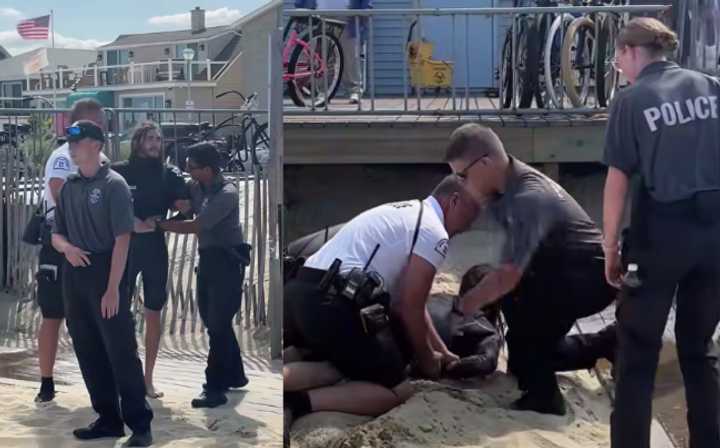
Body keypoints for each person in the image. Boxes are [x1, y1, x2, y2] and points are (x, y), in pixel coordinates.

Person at [283, 175, 482, 438]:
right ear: (454, 201)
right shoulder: (435, 233)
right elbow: (407, 308)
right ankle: (296, 403)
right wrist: (428, 363)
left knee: (335, 363)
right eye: (470, 216)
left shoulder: (406, 211)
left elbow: (414, 304)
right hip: (333, 302)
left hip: (302, 292)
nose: (469, 226)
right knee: (396, 392)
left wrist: (442, 351)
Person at [602, 18, 720, 448]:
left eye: (618, 58)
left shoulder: (632, 101)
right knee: (698, 347)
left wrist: (610, 244)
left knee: (637, 353)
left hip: (661, 235)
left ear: (633, 52)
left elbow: (618, 181)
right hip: (714, 236)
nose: (619, 66)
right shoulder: (711, 86)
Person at [444, 123, 617, 416]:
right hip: (558, 270)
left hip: (586, 278)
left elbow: (508, 276)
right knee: (524, 360)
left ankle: (545, 400)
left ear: (485, 163)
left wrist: (461, 309)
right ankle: (606, 343)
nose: (461, 183)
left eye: (463, 175)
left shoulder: (527, 197)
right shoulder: (504, 186)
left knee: (516, 309)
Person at [51, 120, 153, 446]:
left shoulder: (114, 184)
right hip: (74, 272)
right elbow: (55, 233)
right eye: (69, 141)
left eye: (77, 142)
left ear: (95, 144)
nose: (71, 147)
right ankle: (108, 419)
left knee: (121, 351)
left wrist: (113, 288)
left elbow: (123, 239)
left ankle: (140, 426)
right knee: (87, 349)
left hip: (106, 270)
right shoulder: (68, 185)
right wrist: (66, 248)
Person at [152, 142, 249, 408]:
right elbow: (185, 206)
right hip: (207, 261)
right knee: (213, 321)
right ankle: (236, 375)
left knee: (218, 323)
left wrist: (160, 226)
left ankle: (214, 387)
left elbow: (197, 224)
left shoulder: (227, 193)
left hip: (228, 263)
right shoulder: (196, 187)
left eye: (192, 167)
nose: (188, 170)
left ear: (207, 169)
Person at [35, 98, 112, 403]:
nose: (103, 123)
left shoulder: (100, 158)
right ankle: (46, 381)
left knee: (93, 318)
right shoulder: (62, 156)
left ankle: (101, 383)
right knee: (53, 315)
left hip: (91, 247)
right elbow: (58, 189)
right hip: (60, 244)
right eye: (98, 118)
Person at [112, 121, 189, 399]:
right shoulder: (120, 171)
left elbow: (187, 206)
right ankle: (124, 376)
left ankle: (148, 379)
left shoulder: (169, 173)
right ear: (137, 142)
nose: (155, 143)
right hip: (124, 247)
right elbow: (106, 207)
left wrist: (166, 222)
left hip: (155, 248)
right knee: (119, 313)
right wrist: (130, 222)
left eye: (158, 138)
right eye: (150, 138)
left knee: (154, 310)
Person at [296, 0, 370, 104]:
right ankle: (323, 91)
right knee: (323, 56)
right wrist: (299, 7)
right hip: (320, 14)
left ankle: (355, 90)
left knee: (349, 55)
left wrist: (365, 9)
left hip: (347, 15)